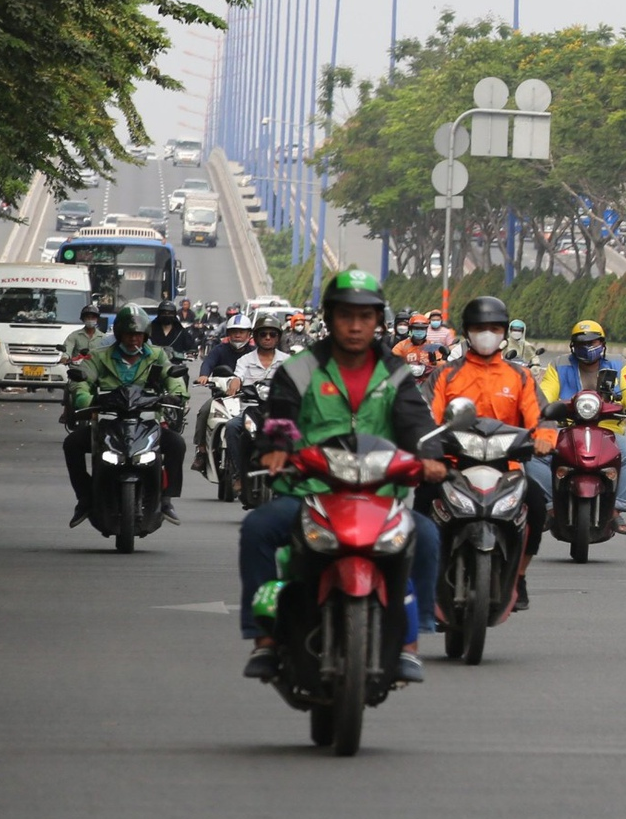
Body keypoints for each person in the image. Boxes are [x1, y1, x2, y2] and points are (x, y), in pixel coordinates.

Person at [238, 271, 446, 685]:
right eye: (346, 315)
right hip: (308, 491)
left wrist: (429, 456)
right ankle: (263, 638)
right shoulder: (299, 369)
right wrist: (277, 446)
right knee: (257, 528)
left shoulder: (396, 373)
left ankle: (410, 643)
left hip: (379, 495)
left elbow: (417, 423)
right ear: (329, 318)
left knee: (426, 535)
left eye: (365, 317)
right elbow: (280, 413)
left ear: (378, 322)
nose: (355, 326)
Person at [432, 296, 556, 612]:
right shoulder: (446, 375)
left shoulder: (521, 376)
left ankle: (521, 575)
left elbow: (539, 415)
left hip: (507, 466)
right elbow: (426, 417)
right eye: (479, 328)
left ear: (504, 333)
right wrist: (425, 444)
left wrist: (543, 436)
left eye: (494, 328)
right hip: (452, 465)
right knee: (420, 509)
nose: (486, 334)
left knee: (538, 507)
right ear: (467, 332)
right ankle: (426, 576)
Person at [64, 304, 189, 527]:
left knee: (177, 444)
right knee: (71, 444)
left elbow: (174, 378)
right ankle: (83, 498)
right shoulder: (99, 356)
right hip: (108, 421)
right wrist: (85, 399)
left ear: (145, 336)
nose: (134, 340)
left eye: (138, 335)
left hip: (146, 421)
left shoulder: (157, 356)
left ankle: (167, 499)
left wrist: (176, 395)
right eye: (129, 334)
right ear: (119, 335)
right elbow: (81, 381)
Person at [537, 320, 626, 535]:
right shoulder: (559, 365)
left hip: (608, 430)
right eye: (581, 342)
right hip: (566, 428)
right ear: (572, 345)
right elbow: (545, 392)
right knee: (532, 454)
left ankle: (617, 509)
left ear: (602, 343)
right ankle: (550, 507)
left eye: (593, 342)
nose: (587, 347)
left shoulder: (621, 364)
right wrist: (541, 408)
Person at [220, 316, 287, 495]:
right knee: (232, 426)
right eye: (263, 334)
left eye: (272, 334)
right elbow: (237, 376)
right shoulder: (245, 360)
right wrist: (234, 383)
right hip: (251, 411)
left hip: (279, 413)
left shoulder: (288, 361)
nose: (267, 338)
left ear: (278, 338)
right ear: (255, 337)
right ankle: (239, 474)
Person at [191, 314, 255, 473]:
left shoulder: (255, 353)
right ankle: (201, 451)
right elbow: (208, 363)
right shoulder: (219, 350)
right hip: (222, 397)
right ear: (228, 333)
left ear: (249, 334)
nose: (238, 335)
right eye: (234, 331)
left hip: (248, 399)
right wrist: (204, 375)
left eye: (242, 332)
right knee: (205, 411)